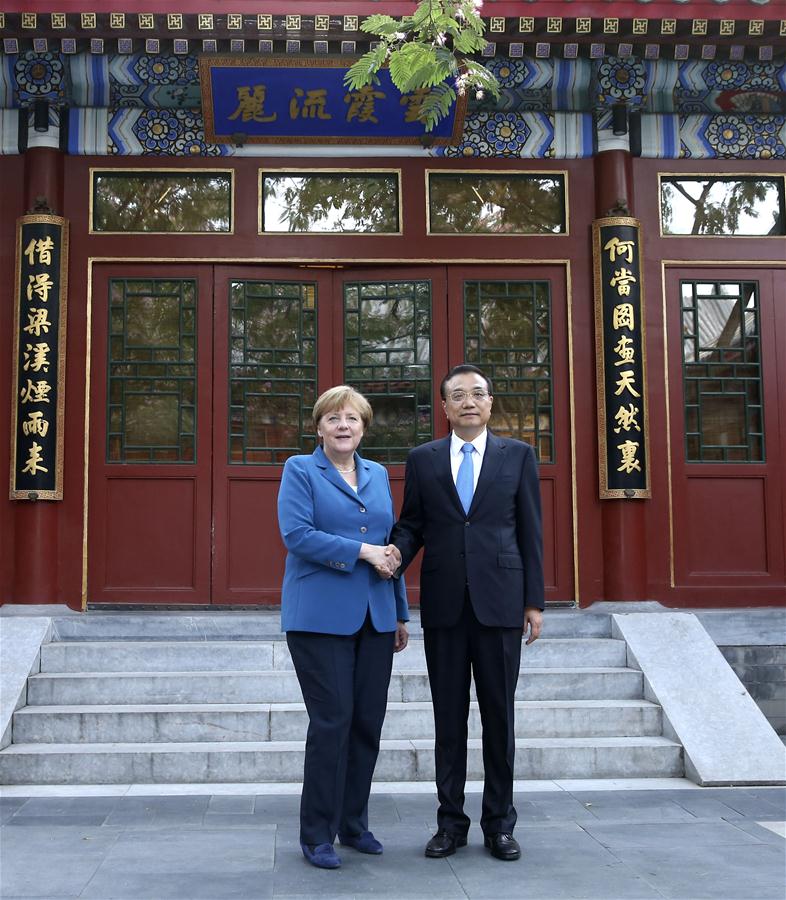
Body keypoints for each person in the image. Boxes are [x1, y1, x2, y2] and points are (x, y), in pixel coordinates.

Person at [390, 364, 544, 862]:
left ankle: (500, 824)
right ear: (445, 407)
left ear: (491, 403)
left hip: (501, 604)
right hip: (445, 607)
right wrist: (392, 556)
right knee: (448, 721)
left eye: (478, 394)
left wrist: (534, 601)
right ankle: (450, 824)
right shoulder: (423, 459)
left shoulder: (517, 456)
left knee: (500, 719)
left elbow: (530, 532)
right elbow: (412, 523)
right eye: (458, 396)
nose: (469, 402)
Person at [277, 385, 408, 870]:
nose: (343, 426)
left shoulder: (376, 474)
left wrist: (398, 612)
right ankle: (317, 834)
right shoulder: (299, 470)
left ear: (364, 427)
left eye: (352, 418)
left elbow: (388, 546)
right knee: (331, 722)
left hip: (375, 616)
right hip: (318, 617)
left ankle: (354, 824)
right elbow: (298, 535)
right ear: (319, 427)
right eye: (333, 418)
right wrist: (362, 552)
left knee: (366, 724)